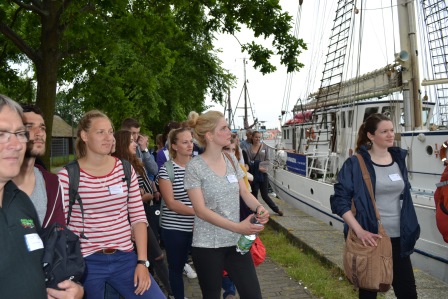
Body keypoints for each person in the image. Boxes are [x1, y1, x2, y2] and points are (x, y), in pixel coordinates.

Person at [58, 110, 165, 299]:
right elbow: (59, 227)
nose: (108, 138)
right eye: (100, 132)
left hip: (125, 258)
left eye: (110, 131)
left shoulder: (124, 168)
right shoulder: (67, 176)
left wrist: (142, 262)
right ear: (84, 135)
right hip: (86, 262)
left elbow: (139, 217)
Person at [0, 94, 82, 299]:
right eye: (2, 133)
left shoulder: (21, 201)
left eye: (19, 133)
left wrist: (71, 288)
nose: (18, 144)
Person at [330, 113, 420, 299]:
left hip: (400, 238)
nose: (390, 135)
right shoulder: (355, 164)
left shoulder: (398, 159)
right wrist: (359, 231)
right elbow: (339, 201)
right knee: (369, 292)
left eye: (392, 130)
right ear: (371, 136)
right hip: (372, 237)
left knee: (408, 292)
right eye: (384, 131)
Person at [184, 110, 270, 299]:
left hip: (236, 243)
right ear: (209, 136)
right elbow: (200, 211)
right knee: (212, 295)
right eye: (224, 128)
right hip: (207, 246)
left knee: (253, 294)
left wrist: (259, 208)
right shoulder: (194, 167)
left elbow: (245, 193)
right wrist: (238, 226)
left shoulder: (230, 159)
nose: (230, 132)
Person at [112, 130, 172, 297]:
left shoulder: (135, 162)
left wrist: (151, 190)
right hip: (135, 217)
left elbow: (150, 176)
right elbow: (132, 196)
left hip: (145, 212)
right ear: (122, 144)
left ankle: (158, 287)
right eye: (131, 140)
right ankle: (170, 291)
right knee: (156, 255)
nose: (135, 144)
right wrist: (146, 195)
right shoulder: (121, 165)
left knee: (153, 255)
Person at [157, 126, 196, 299]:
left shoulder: (199, 166)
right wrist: (199, 212)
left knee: (206, 266)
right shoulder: (167, 170)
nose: (190, 145)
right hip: (175, 229)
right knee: (176, 267)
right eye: (185, 142)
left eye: (191, 141)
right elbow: (171, 203)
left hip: (199, 227)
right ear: (174, 146)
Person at [248, 131, 283, 216]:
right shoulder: (249, 149)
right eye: (256, 137)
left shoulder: (264, 148)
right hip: (254, 175)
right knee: (254, 194)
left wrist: (258, 165)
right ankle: (255, 212)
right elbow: (249, 162)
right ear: (252, 137)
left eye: (259, 137)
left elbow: (268, 160)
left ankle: (276, 209)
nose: (258, 139)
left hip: (263, 174)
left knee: (265, 195)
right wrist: (258, 166)